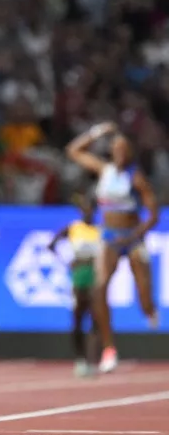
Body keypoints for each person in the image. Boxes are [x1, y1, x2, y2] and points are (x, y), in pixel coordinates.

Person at [66, 122, 159, 373]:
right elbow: (73, 151)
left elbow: (153, 215)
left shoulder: (136, 177)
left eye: (123, 150)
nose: (119, 154)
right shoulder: (104, 170)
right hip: (109, 236)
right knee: (99, 288)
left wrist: (134, 236)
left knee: (144, 296)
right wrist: (97, 132)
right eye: (115, 149)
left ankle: (150, 310)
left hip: (133, 236)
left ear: (129, 153)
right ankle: (109, 349)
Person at [48, 194, 101, 377]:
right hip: (79, 276)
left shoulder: (100, 230)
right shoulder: (74, 228)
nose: (88, 212)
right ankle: (80, 359)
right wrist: (66, 261)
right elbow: (51, 245)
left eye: (91, 208)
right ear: (81, 211)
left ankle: (93, 361)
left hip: (96, 276)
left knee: (96, 319)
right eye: (84, 208)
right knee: (78, 319)